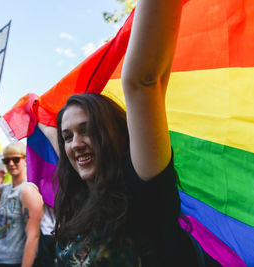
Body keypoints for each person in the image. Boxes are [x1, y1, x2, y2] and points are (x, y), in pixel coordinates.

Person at [47, 0, 222, 266]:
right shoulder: (75, 205)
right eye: (68, 136)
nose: (76, 144)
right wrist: (34, 112)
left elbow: (144, 82)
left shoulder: (141, 189)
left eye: (88, 130)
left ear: (115, 134)